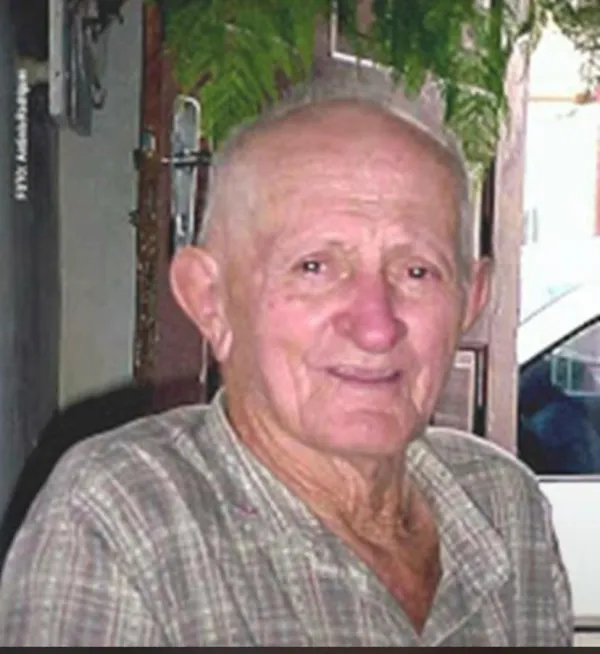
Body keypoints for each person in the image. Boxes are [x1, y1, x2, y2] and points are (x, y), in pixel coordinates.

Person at [0, 62, 573, 646]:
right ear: (211, 301)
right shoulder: (122, 521)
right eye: (314, 267)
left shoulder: (504, 504)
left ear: (471, 300)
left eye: (417, 271)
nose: (375, 327)